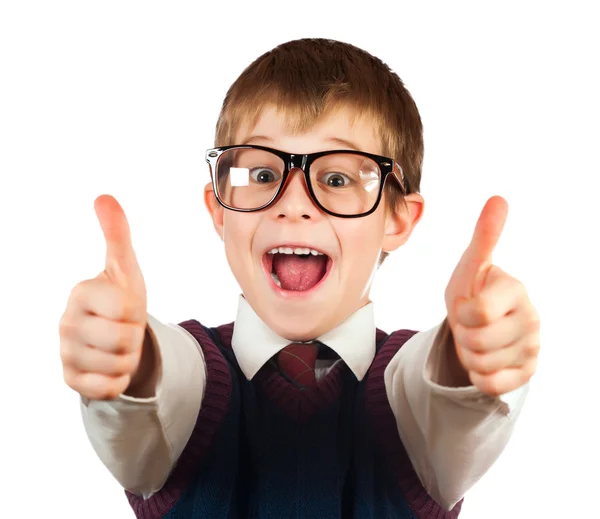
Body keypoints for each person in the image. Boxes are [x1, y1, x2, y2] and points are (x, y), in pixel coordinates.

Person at [59, 38, 540, 518]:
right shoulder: (194, 372)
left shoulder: (407, 388)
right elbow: (160, 394)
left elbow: (439, 402)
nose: (293, 203)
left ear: (396, 219)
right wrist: (131, 361)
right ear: (220, 210)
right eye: (264, 175)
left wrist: (467, 357)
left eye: (336, 179)